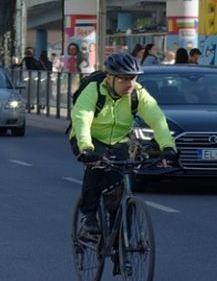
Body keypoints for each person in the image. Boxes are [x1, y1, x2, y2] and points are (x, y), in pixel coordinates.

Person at [69, 53, 179, 239]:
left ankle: (119, 237)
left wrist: (168, 146)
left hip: (119, 140)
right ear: (109, 77)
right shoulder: (94, 90)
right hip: (89, 138)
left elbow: (157, 118)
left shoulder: (137, 93)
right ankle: (88, 219)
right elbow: (82, 119)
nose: (129, 84)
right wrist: (86, 148)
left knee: (121, 182)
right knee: (96, 168)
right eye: (124, 79)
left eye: (133, 78)